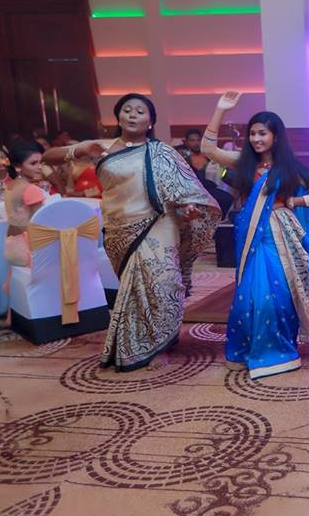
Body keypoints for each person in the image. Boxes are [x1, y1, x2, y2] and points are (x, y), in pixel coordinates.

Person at [43, 93, 220, 371]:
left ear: (151, 121)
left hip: (159, 222)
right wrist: (80, 149)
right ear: (118, 116)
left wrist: (188, 208)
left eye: (140, 111)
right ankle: (140, 340)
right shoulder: (100, 147)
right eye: (127, 110)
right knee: (137, 290)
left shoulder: (162, 152)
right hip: (119, 229)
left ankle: (162, 343)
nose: (133, 114)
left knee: (164, 283)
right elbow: (47, 157)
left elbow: (183, 189)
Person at [201, 92, 309, 379]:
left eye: (262, 133)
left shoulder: (290, 168)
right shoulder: (243, 163)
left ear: (276, 136)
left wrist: (295, 202)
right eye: (252, 133)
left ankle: (279, 351)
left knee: (277, 293)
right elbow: (207, 149)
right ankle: (249, 350)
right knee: (249, 295)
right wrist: (220, 109)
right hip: (249, 236)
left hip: (280, 235)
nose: (256, 139)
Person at [2, 141, 51, 268]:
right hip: (28, 247)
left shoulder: (11, 185)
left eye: (41, 162)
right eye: (33, 163)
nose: (40, 167)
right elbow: (40, 223)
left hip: (9, 244)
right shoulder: (31, 189)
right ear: (18, 166)